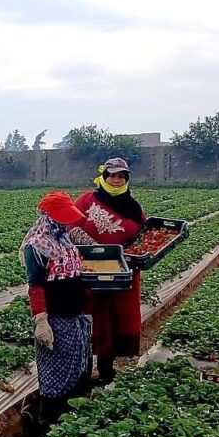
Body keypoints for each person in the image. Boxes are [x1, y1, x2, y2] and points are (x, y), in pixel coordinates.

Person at [68, 157, 146, 384]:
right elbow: (70, 226)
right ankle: (83, 370)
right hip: (88, 271)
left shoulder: (134, 209)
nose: (115, 180)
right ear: (103, 177)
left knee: (113, 320)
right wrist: (97, 250)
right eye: (111, 175)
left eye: (121, 176)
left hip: (121, 273)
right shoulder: (86, 201)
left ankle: (106, 371)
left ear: (126, 179)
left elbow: (143, 237)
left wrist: (123, 256)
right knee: (88, 318)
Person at [21, 191, 93, 422]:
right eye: (62, 217)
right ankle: (50, 423)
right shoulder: (37, 246)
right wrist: (41, 321)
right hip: (56, 320)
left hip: (74, 315)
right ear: (48, 216)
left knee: (78, 369)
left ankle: (72, 417)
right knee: (56, 374)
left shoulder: (64, 239)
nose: (67, 221)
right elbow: (36, 285)